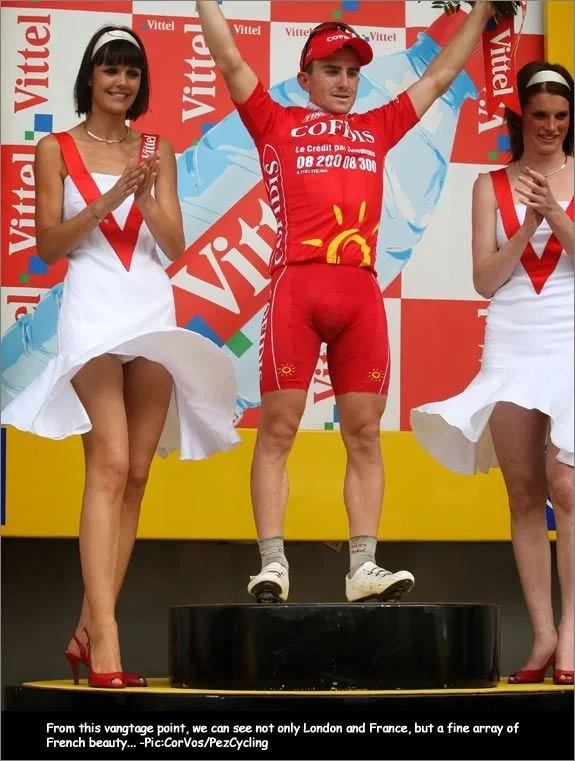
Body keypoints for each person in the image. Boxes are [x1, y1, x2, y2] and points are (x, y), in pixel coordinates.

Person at [196, 0, 497, 604]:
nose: (343, 81)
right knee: (278, 431)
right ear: (304, 78)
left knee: (364, 434)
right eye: (330, 70)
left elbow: (441, 74)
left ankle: (363, 567)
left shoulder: (378, 125)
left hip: (360, 293)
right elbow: (229, 59)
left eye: (353, 72)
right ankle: (272, 565)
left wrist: (485, 8)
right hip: (297, 290)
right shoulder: (274, 121)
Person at [1, 25, 240, 688]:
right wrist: (109, 197)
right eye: (110, 69)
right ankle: (106, 638)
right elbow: (48, 246)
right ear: (90, 77)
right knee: (106, 462)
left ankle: (86, 625)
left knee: (135, 473)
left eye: (132, 72)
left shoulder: (156, 150)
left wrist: (144, 193)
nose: (121, 81)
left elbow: (176, 245)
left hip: (149, 308)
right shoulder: (55, 148)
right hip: (93, 310)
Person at [411, 62, 574, 685]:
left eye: (561, 117)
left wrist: (555, 214)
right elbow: (484, 279)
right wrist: (527, 225)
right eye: (540, 116)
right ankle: (543, 633)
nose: (551, 127)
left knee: (567, 487)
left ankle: (572, 637)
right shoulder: (490, 185)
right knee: (524, 491)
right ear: (521, 118)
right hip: (512, 339)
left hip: (568, 336)